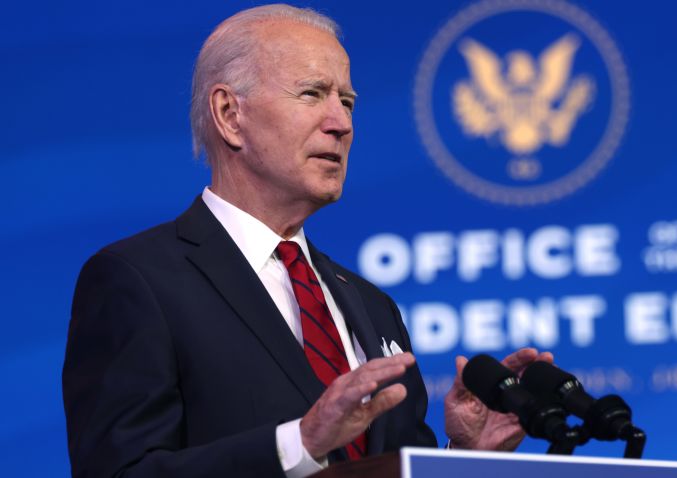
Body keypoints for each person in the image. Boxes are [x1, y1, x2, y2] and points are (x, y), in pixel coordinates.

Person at [62, 4, 552, 477]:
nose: (341, 123)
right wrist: (300, 444)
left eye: (348, 101)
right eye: (312, 94)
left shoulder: (371, 303)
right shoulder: (139, 280)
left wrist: (461, 456)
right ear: (230, 114)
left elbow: (384, 467)